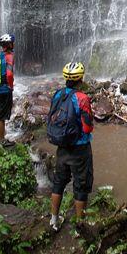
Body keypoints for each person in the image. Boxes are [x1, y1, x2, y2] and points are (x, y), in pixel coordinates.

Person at [49, 62, 94, 232]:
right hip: (79, 148)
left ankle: (53, 219)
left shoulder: (57, 95)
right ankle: (80, 225)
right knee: (81, 185)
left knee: (59, 181)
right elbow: (87, 127)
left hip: (62, 145)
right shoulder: (82, 98)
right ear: (80, 79)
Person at [0, 33, 15, 147]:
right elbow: (9, 74)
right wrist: (10, 86)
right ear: (9, 44)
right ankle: (2, 140)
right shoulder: (9, 56)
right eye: (12, 42)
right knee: (2, 117)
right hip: (5, 90)